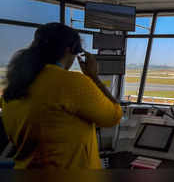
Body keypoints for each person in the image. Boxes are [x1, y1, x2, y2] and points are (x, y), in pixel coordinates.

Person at [0, 23, 122, 169]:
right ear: (69, 49)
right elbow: (114, 116)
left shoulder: (15, 85)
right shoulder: (72, 83)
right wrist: (94, 77)